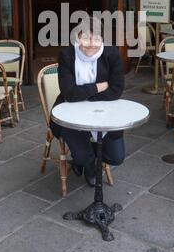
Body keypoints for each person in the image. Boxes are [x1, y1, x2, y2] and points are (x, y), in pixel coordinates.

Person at [50, 16, 125, 187]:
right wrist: (99, 87)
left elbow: (116, 90)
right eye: (86, 37)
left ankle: (83, 158)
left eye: (97, 38)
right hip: (69, 112)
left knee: (116, 157)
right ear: (78, 37)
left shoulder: (111, 53)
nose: (91, 43)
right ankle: (89, 166)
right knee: (84, 155)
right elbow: (69, 94)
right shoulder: (67, 55)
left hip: (103, 111)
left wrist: (82, 95)